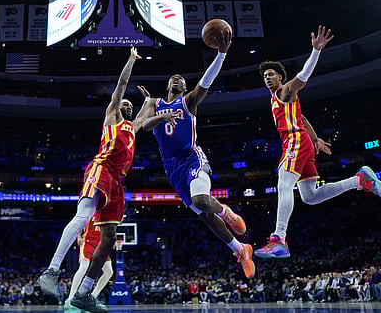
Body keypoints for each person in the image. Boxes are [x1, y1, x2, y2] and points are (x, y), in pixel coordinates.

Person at [255, 26, 381, 259]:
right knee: (310, 196)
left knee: (284, 184)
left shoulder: (284, 92)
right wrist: (316, 139)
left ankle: (278, 239)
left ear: (280, 77)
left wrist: (315, 51)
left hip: (295, 141)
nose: (267, 78)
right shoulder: (275, 99)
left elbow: (303, 78)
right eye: (265, 75)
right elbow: (303, 118)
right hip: (303, 141)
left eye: (271, 74)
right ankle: (359, 181)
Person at [139, 28, 254, 279]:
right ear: (168, 84)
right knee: (205, 217)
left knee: (203, 202)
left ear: (184, 86)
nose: (177, 79)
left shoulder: (188, 102)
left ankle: (228, 213)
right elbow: (145, 127)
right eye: (174, 78)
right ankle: (240, 249)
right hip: (172, 168)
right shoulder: (154, 103)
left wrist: (221, 55)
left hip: (192, 157)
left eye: (181, 78)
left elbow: (206, 81)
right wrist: (161, 115)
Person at [39, 47, 147, 312]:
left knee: (109, 238)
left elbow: (146, 119)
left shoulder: (131, 128)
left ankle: (84, 294)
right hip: (101, 169)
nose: (127, 106)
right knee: (83, 214)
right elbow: (122, 85)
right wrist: (131, 60)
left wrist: (153, 104)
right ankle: (51, 270)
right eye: (125, 103)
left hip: (117, 183)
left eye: (130, 106)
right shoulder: (112, 117)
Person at [64, 222, 113, 309]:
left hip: (101, 244)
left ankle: (92, 297)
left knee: (109, 272)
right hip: (88, 241)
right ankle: (70, 298)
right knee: (83, 268)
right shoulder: (91, 209)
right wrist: (78, 237)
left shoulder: (107, 212)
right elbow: (80, 222)